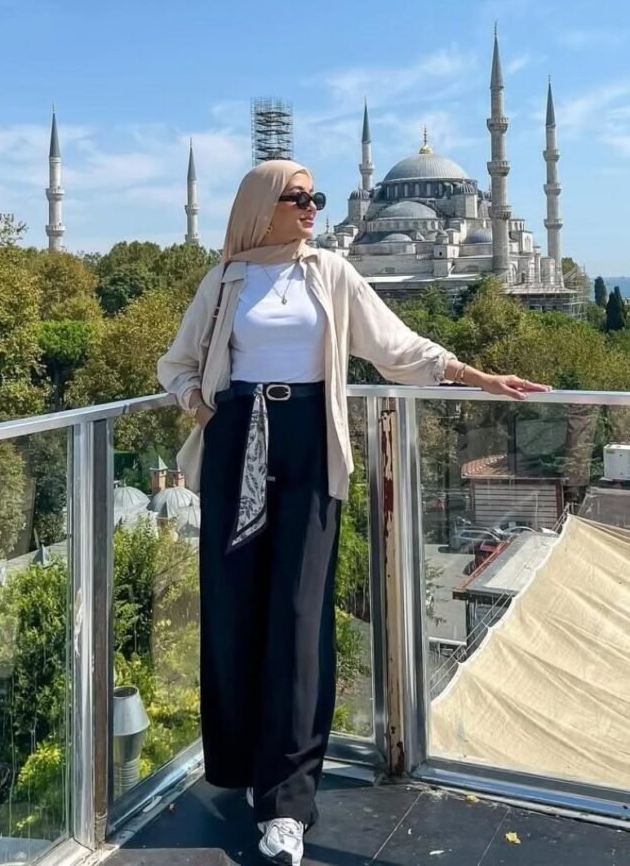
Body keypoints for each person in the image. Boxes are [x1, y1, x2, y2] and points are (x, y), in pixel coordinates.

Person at [157, 160, 548, 866]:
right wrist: (197, 402)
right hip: (237, 442)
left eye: (316, 198)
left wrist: (474, 375)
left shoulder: (330, 274)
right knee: (235, 609)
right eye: (296, 197)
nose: (310, 208)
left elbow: (395, 347)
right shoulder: (224, 281)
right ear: (259, 207)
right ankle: (244, 768)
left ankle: (287, 803)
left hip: (310, 445)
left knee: (300, 620)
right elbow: (176, 362)